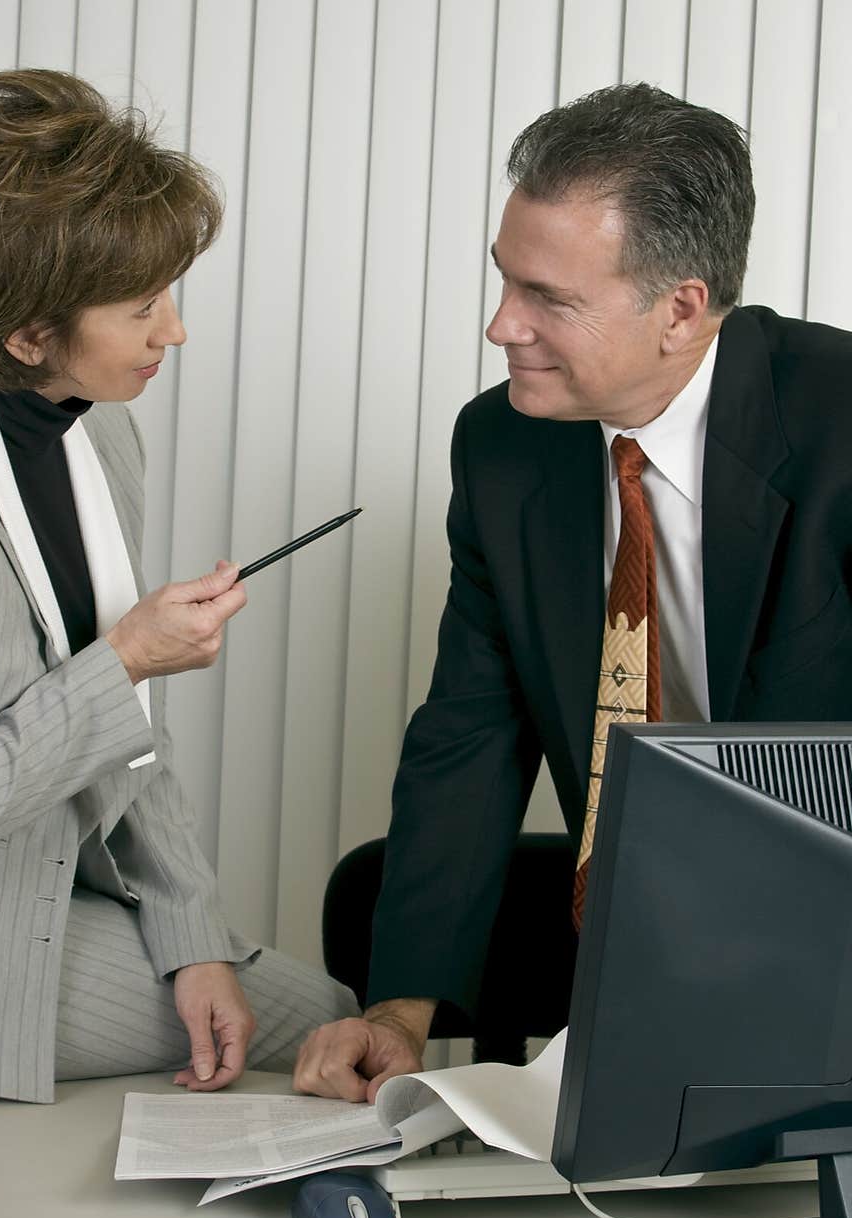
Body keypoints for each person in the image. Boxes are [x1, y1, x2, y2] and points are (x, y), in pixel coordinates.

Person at [293, 82, 852, 1102]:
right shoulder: (503, 444)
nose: (502, 324)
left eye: (548, 298)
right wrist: (398, 1006)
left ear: (680, 307)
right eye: (506, 279)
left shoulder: (838, 419)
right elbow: (469, 726)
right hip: (636, 938)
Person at [0, 68, 357, 1105]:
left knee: (332, 1021)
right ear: (25, 335)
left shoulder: (104, 433)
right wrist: (127, 658)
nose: (173, 331)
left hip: (43, 882)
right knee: (313, 1038)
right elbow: (107, 689)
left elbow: (127, 730)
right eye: (143, 305)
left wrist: (190, 938)